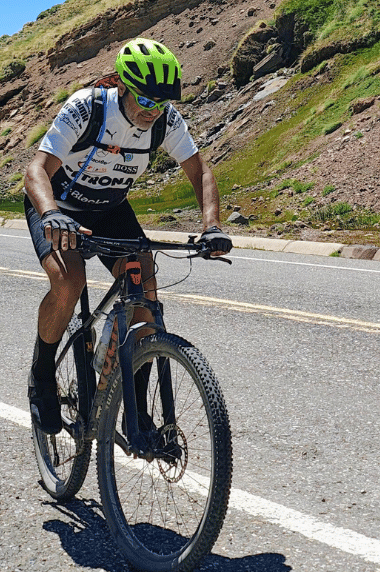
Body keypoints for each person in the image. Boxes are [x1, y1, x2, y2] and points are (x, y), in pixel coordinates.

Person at [23, 37, 232, 434]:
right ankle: (42, 373)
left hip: (110, 208)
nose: (154, 111)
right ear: (122, 85)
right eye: (147, 101)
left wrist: (212, 226)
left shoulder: (167, 121)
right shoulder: (86, 108)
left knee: (145, 290)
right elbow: (37, 171)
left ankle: (136, 407)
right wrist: (51, 213)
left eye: (163, 102)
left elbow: (200, 172)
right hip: (58, 205)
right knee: (69, 283)